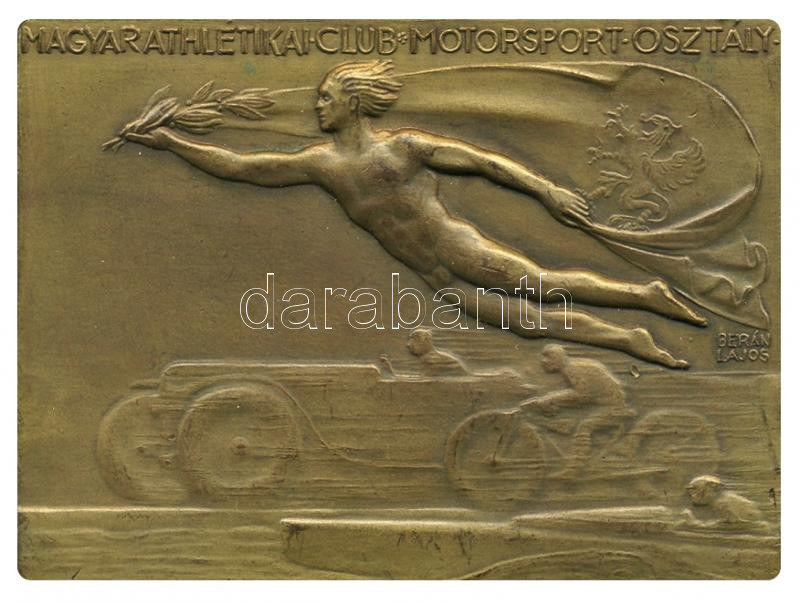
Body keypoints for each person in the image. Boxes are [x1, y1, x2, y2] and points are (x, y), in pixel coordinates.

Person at [125, 59, 706, 368]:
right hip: (437, 278)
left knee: (546, 287)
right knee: (530, 324)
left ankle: (646, 294)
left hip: (459, 250)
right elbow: (240, 167)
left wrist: (547, 191)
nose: (317, 106)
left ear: (353, 102)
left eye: (326, 98)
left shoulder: (403, 148)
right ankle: (629, 339)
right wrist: (171, 142)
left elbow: (486, 164)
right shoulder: (322, 165)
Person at [521, 344, 636, 479]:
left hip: (614, 408)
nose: (543, 361)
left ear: (558, 358)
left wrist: (552, 398)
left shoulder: (573, 369)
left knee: (585, 427)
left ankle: (575, 469)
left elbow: (583, 395)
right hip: (603, 405)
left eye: (548, 357)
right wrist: (552, 399)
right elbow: (580, 395)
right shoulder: (572, 368)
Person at [682, 475, 767, 530]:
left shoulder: (722, 503)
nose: (692, 496)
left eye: (695, 489)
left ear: (709, 488)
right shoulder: (724, 499)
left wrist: (696, 524)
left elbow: (731, 526)